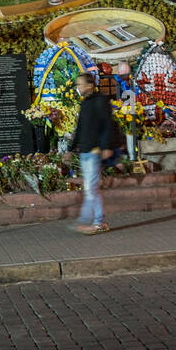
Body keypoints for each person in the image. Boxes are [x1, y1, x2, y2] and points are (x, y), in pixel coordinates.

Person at [70, 72, 113, 234]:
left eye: (80, 84)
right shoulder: (85, 103)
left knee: (90, 188)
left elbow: (107, 124)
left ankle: (89, 221)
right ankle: (99, 221)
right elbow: (80, 127)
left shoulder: (100, 101)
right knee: (92, 189)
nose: (78, 88)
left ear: (90, 85)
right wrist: (71, 148)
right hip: (85, 151)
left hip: (95, 150)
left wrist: (106, 146)